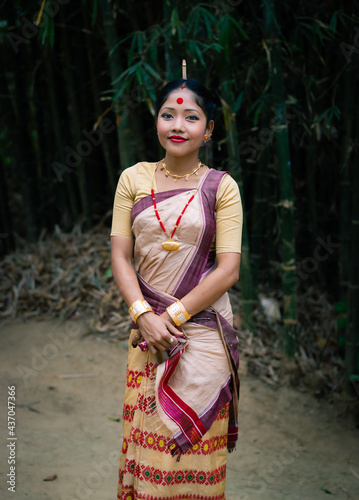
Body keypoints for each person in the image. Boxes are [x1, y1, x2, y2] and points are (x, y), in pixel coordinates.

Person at [110, 70, 243, 500]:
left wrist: (170, 316)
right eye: (169, 115)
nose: (178, 125)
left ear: (207, 131)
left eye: (191, 117)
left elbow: (228, 270)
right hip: (148, 333)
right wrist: (143, 315)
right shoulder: (133, 178)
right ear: (156, 122)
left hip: (199, 335)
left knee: (191, 458)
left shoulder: (222, 187)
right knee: (147, 449)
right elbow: (119, 256)